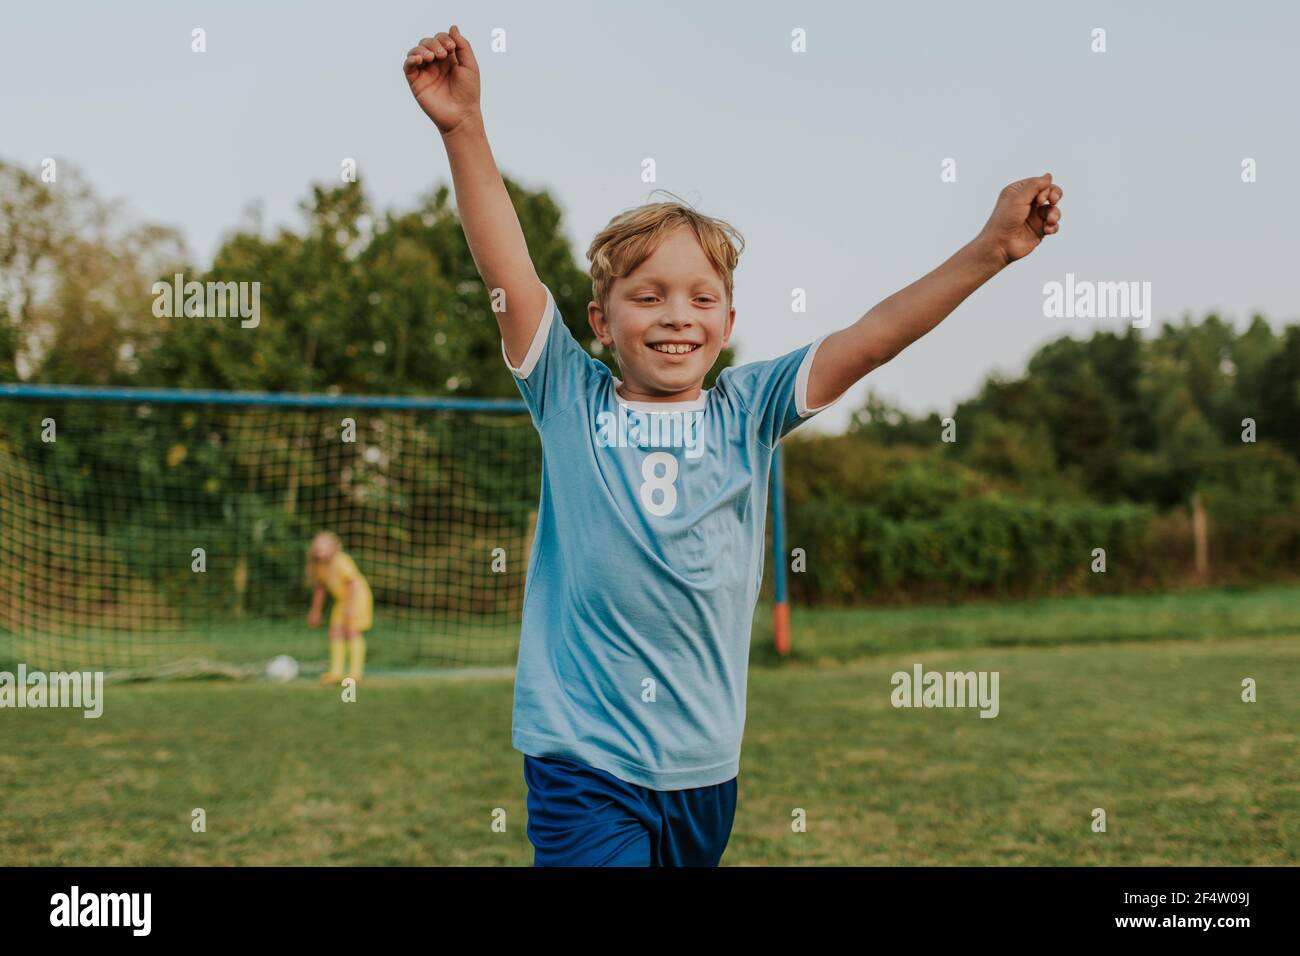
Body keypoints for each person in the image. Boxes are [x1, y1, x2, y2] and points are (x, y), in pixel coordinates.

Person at [403, 25, 1062, 866]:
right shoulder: (568, 396)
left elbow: (871, 339)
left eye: (700, 297)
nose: (677, 313)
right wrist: (464, 128)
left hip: (705, 773)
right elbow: (507, 268)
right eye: (648, 297)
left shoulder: (747, 411)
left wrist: (991, 250)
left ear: (727, 323)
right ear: (602, 324)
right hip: (583, 761)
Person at [305, 531, 373, 685]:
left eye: (323, 546)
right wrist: (315, 611)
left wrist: (350, 608)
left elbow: (353, 584)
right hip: (342, 601)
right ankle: (336, 673)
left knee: (352, 630)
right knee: (335, 632)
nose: (319, 550)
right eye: (317, 547)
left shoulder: (341, 561)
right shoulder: (318, 565)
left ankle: (355, 674)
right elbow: (320, 589)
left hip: (357, 598)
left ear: (333, 547)